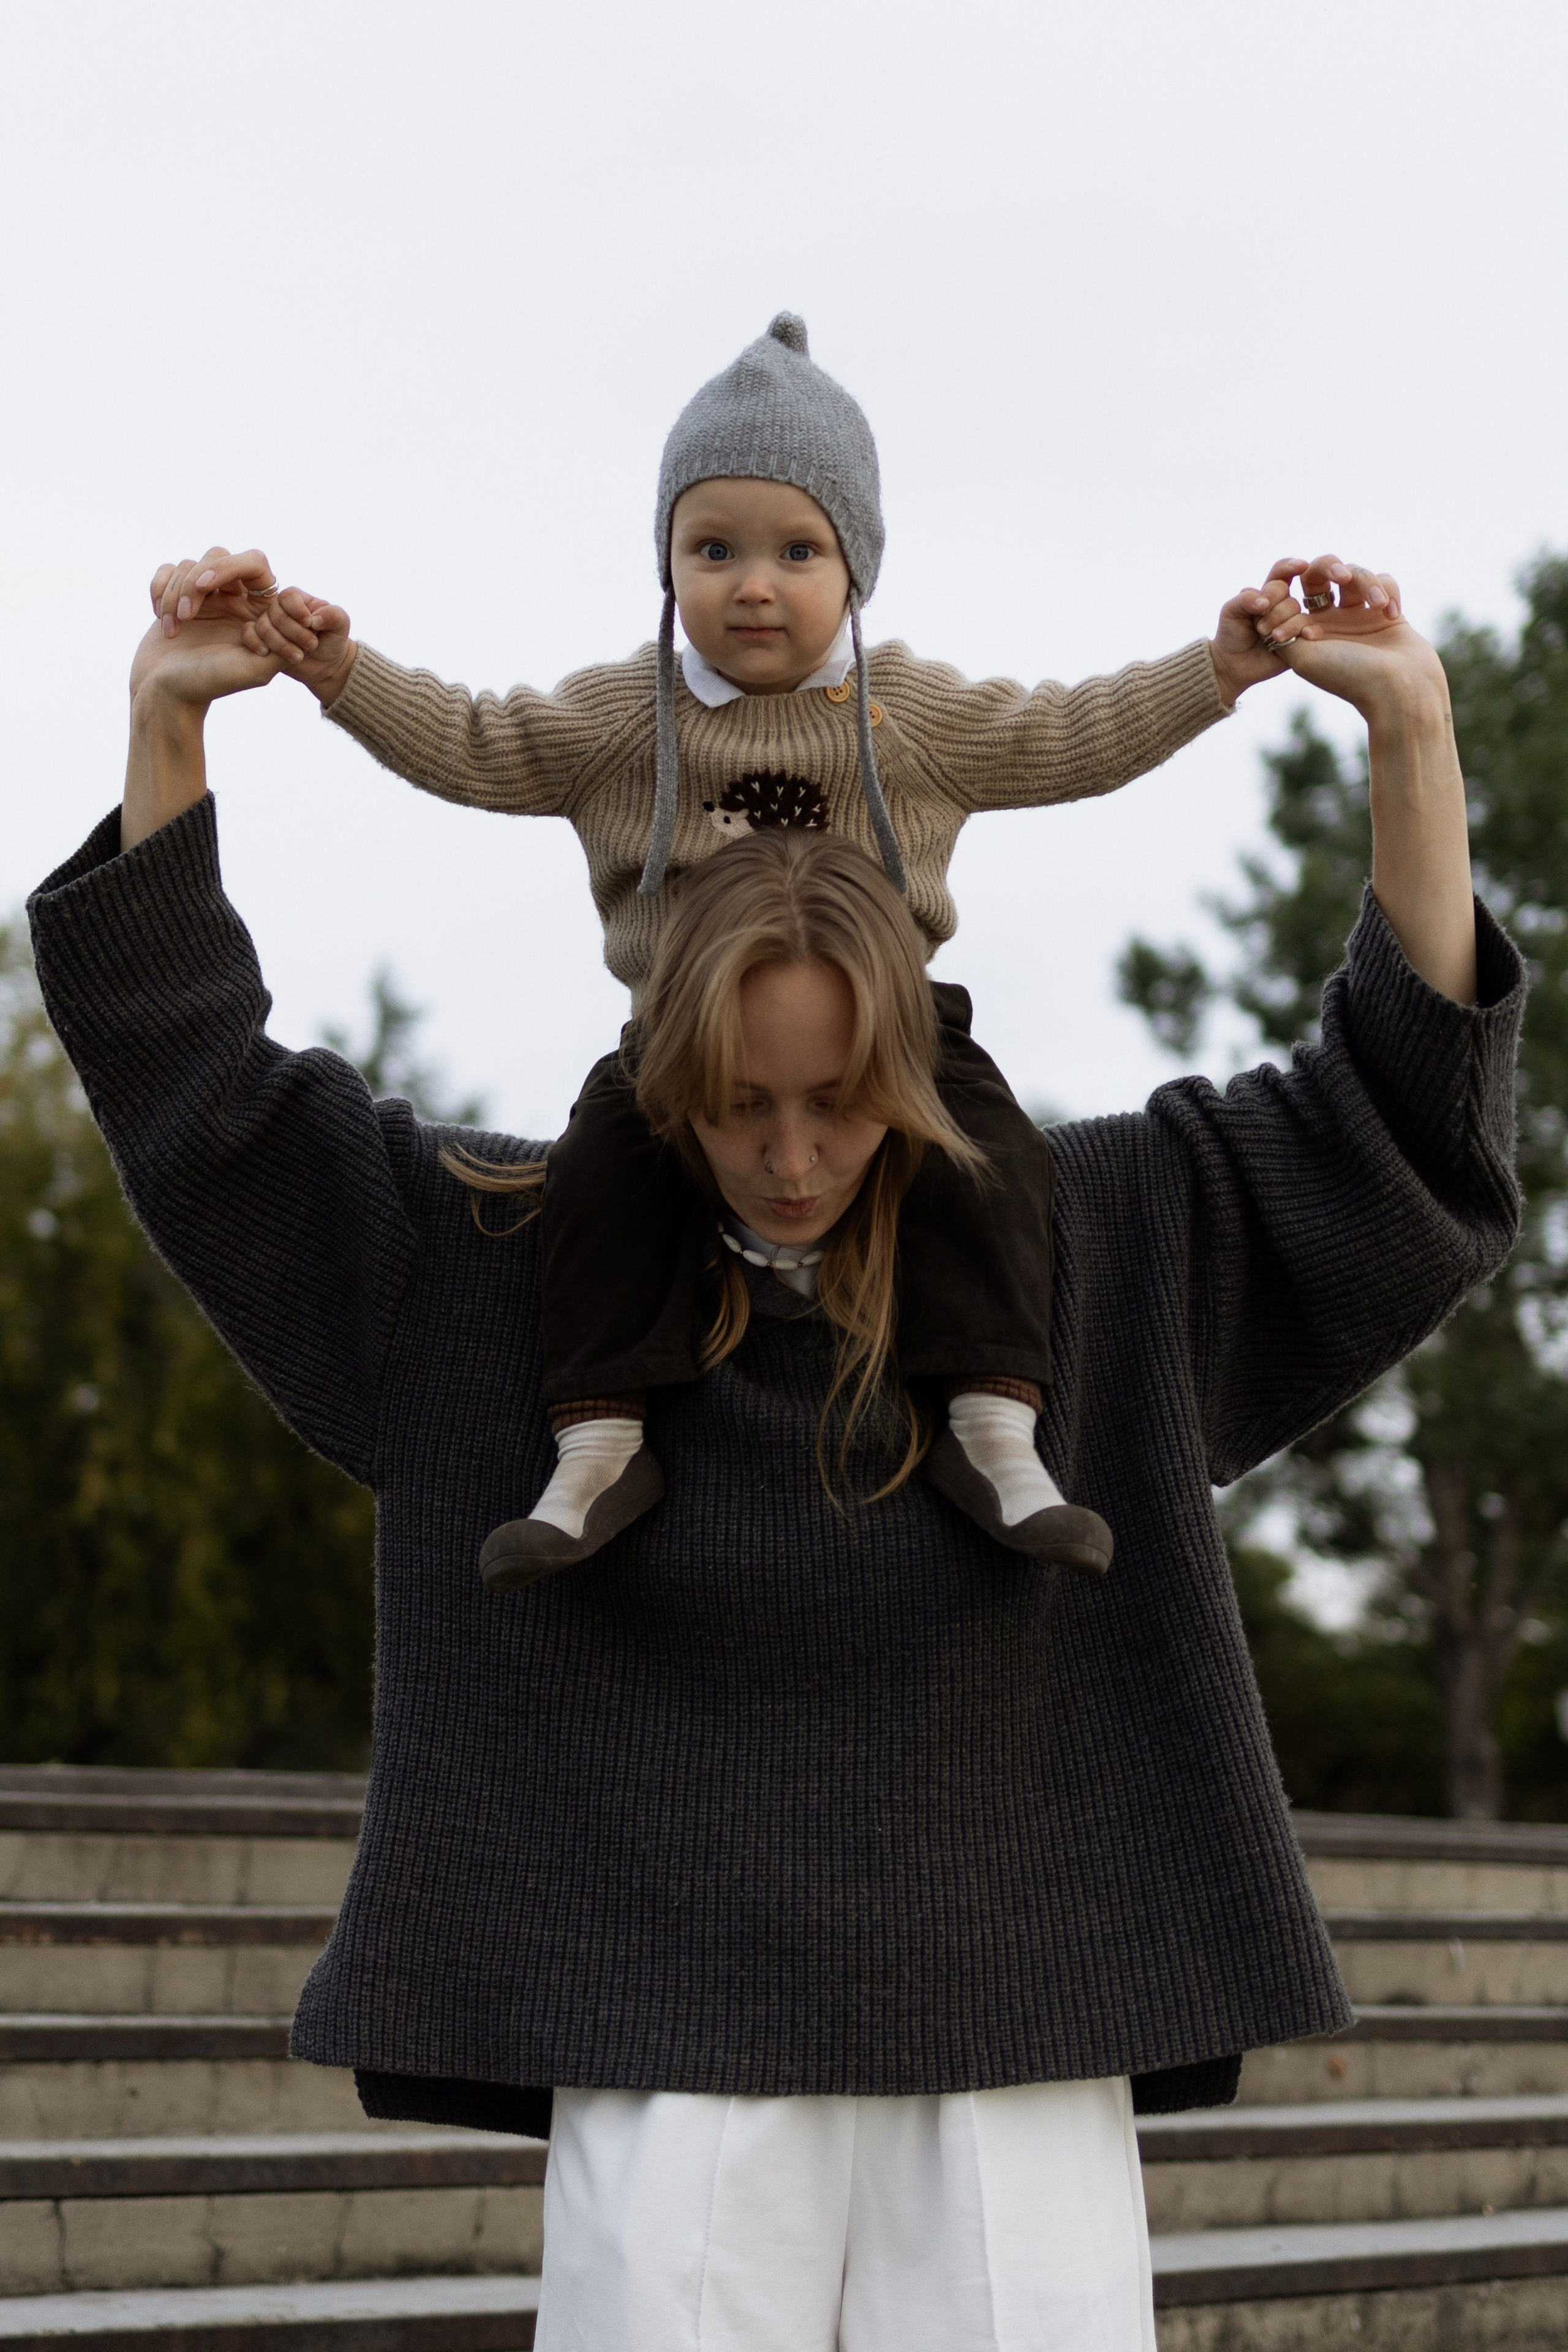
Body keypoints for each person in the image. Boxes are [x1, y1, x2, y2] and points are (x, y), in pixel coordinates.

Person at [30, 553, 1520, 2350]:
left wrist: (1415, 736)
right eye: (742, 1107)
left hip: (1013, 2040)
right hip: (662, 2055)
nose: (796, 1155)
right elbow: (209, 1097)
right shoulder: (502, 1264)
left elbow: (1389, 1128)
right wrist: (168, 718)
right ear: (663, 1081)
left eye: (843, 1106)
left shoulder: (1095, 1249)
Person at [148, 312, 1313, 1590]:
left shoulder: (906, 715)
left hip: (887, 1035)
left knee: (992, 1160)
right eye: (712, 548)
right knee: (596, 1180)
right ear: (665, 566)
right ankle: (596, 1441)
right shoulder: (619, 721)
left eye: (795, 550)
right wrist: (339, 671)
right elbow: (472, 742)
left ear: (855, 568)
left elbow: (1072, 734)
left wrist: (1217, 672)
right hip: (679, 1049)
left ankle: (993, 1423)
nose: (752, 583)